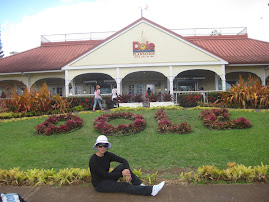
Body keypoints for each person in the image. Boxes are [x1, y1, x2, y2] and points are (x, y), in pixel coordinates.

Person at [89, 135, 165, 196]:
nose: (102, 148)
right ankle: (151, 191)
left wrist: (127, 172)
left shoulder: (107, 155)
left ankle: (141, 185)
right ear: (96, 147)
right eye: (100, 145)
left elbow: (124, 161)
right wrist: (122, 174)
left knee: (122, 166)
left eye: (105, 146)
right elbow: (104, 175)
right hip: (100, 184)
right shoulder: (93, 160)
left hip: (108, 179)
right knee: (124, 186)